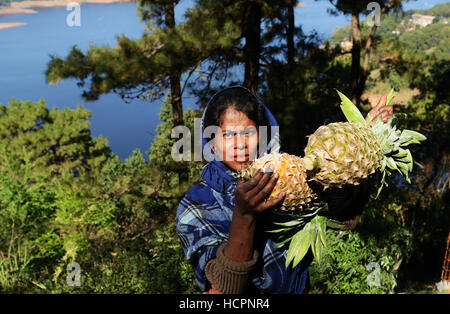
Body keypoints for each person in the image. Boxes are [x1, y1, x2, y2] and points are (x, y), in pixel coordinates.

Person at [176, 86, 393, 294]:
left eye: (248, 132)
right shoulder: (196, 204)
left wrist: (363, 142)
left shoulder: (288, 175)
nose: (240, 144)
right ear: (211, 143)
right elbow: (227, 287)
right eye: (227, 135)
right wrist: (244, 216)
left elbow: (344, 216)